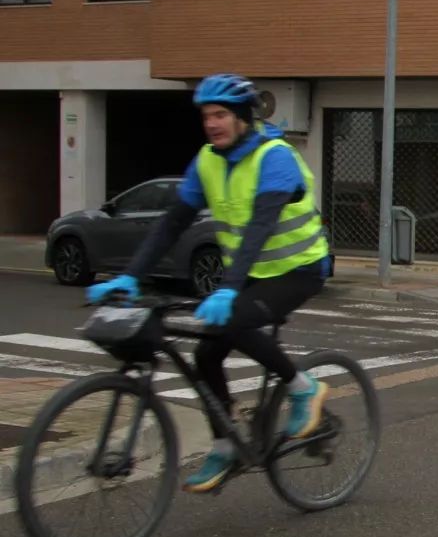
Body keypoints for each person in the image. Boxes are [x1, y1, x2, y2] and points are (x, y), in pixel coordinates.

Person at [86, 74, 332, 493]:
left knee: (234, 322)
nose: (212, 124)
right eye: (206, 116)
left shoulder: (275, 157)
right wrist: (130, 275)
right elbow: (173, 223)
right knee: (205, 353)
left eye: (220, 114)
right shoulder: (207, 161)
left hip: (298, 269)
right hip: (251, 273)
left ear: (242, 117)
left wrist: (229, 288)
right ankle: (224, 445)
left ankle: (303, 389)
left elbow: (259, 227)